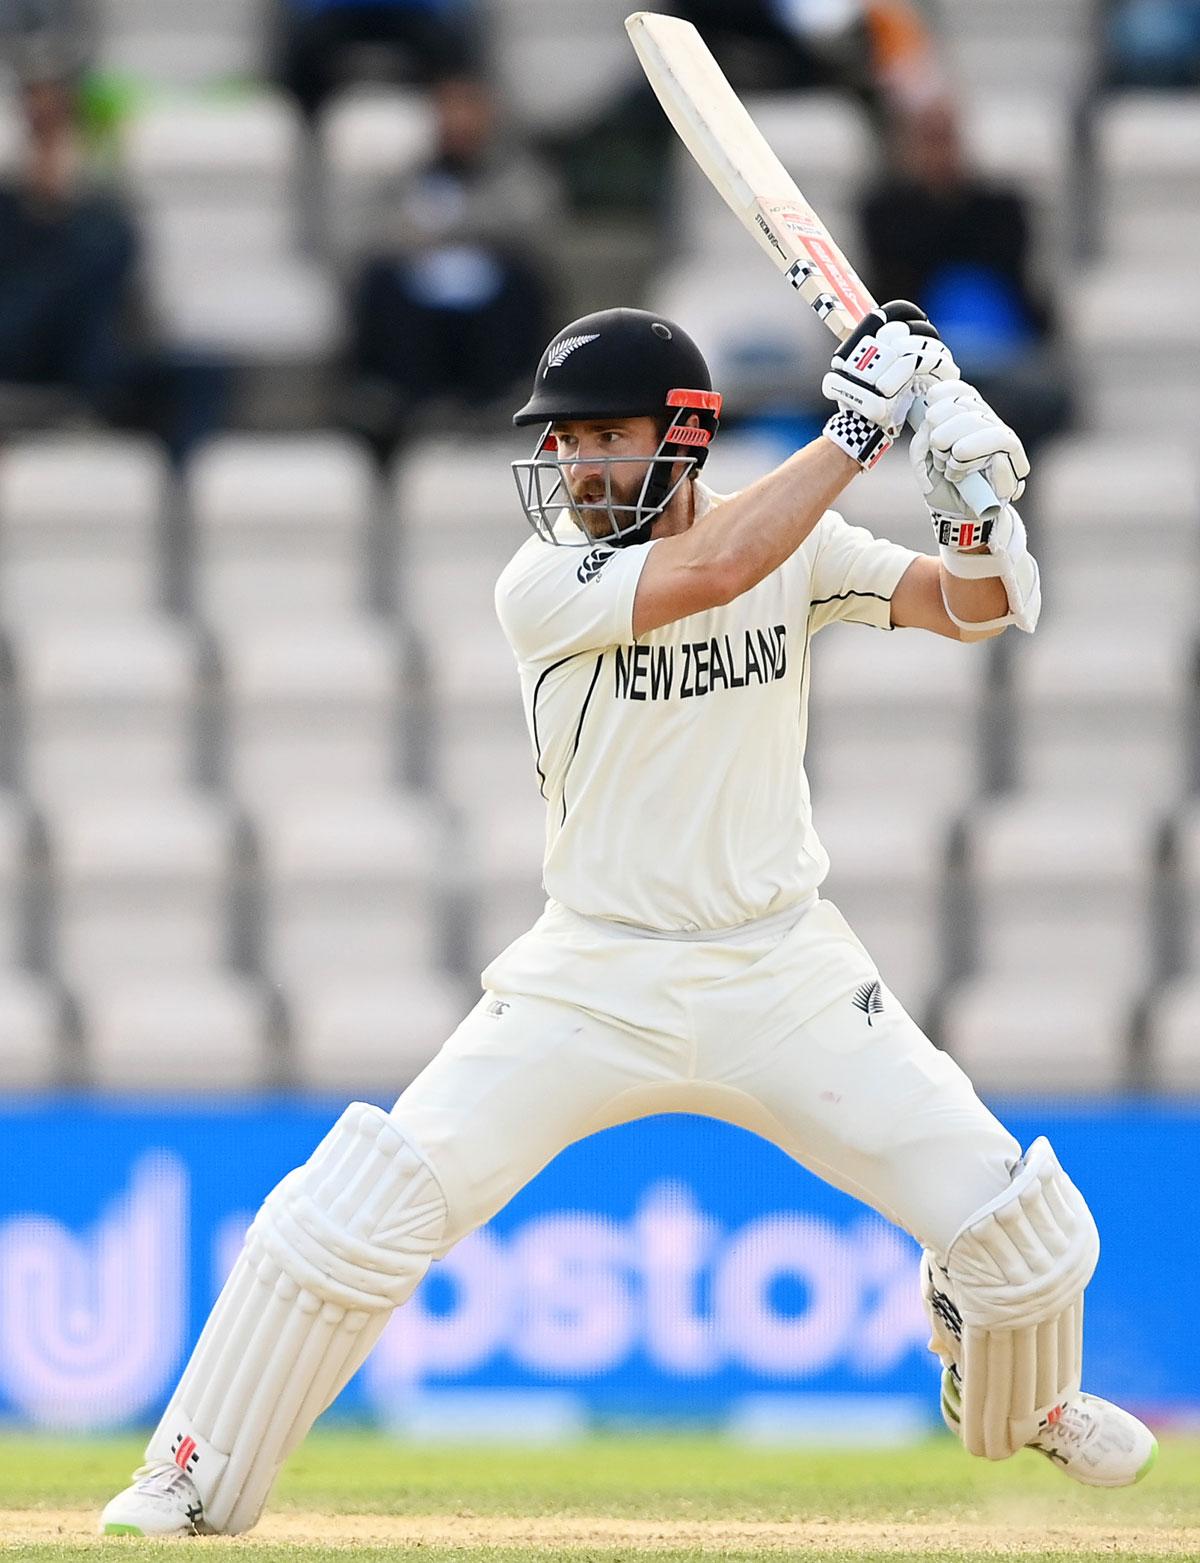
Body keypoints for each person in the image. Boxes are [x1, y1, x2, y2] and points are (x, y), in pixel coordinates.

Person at [99, 302, 1156, 1537]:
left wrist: (971, 506)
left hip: (783, 971)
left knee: (1027, 1247)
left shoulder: (796, 540)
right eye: (562, 440)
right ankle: (190, 1467)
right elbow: (713, 570)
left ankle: (1008, 1385)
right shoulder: (543, 581)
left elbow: (968, 608)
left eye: (602, 434)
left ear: (686, 435)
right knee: (353, 1213)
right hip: (590, 973)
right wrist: (860, 436)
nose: (574, 464)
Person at [345, 75, 557, 452]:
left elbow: (531, 223)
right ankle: (404, 399)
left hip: (492, 284)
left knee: (524, 281)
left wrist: (455, 229)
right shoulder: (408, 176)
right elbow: (379, 231)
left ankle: (499, 396)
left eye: (468, 112)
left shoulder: (513, 171)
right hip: (422, 289)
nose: (459, 124)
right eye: (449, 112)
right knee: (382, 283)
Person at [860, 98, 1070, 446]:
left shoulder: (1002, 210)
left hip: (1006, 361)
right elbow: (892, 284)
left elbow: (1018, 281)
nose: (938, 153)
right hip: (915, 369)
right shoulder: (885, 213)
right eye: (927, 140)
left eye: (945, 139)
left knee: (1038, 400)